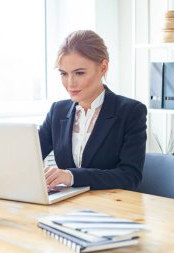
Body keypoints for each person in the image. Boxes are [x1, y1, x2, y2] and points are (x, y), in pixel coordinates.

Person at [39, 30, 147, 191]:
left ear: (103, 67)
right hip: (67, 206)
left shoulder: (131, 112)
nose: (70, 83)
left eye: (79, 73)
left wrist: (71, 176)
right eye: (63, 74)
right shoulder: (57, 111)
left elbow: (130, 177)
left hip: (111, 208)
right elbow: (27, 159)